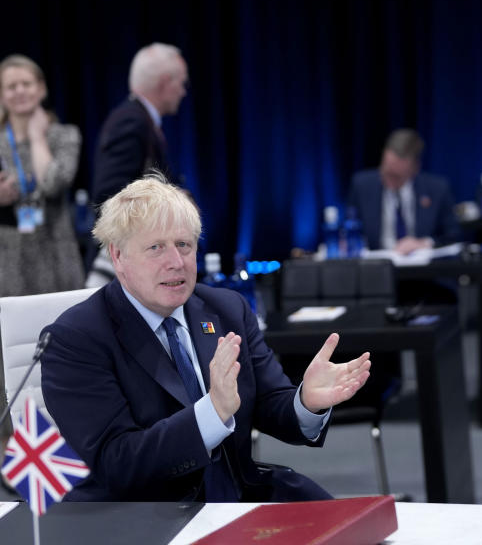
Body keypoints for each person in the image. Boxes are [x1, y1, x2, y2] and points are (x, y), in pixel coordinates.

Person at [41, 175, 371, 502]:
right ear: (118, 257)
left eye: (184, 245)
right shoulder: (76, 338)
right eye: (156, 248)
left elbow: (271, 406)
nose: (176, 262)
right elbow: (119, 463)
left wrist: (306, 403)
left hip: (239, 497)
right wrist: (211, 413)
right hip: (148, 514)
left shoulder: (227, 309)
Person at [0, 55, 84, 446]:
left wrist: (39, 136)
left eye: (27, 83)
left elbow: (54, 181)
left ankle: (73, 443)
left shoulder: (64, 136)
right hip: (1, 261)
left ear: (41, 88)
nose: (20, 91)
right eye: (11, 86)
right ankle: (16, 454)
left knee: (66, 350)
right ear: (0, 95)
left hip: (55, 256)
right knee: (6, 358)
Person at [86, 43, 188, 284]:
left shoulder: (139, 119)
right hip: (123, 270)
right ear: (165, 82)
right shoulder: (131, 122)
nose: (183, 92)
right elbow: (108, 197)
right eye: (182, 83)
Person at [347, 128, 458, 254]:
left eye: (396, 177)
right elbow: (349, 228)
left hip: (423, 270)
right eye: (385, 173)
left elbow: (453, 235)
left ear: (415, 169)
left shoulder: (437, 189)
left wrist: (424, 243)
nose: (389, 181)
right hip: (376, 267)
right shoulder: (362, 185)